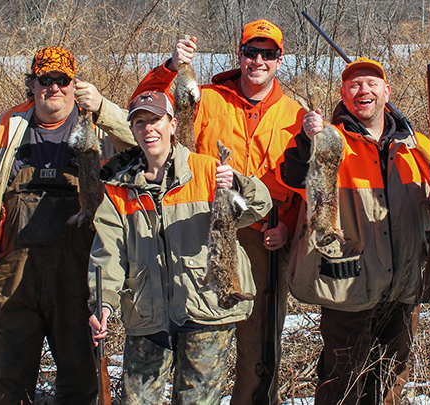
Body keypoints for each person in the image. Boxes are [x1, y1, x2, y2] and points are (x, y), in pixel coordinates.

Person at [0, 46, 136, 404]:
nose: (54, 88)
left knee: (80, 381)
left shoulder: (97, 127)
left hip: (78, 275)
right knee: (9, 381)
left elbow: (144, 146)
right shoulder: (8, 127)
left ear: (76, 85)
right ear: (32, 84)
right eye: (46, 80)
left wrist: (105, 108)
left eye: (63, 80)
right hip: (15, 277)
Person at [130, 19, 305, 404]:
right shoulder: (205, 97)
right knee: (197, 329)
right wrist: (170, 67)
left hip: (263, 237)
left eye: (268, 53)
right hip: (201, 228)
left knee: (259, 342)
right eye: (251, 52)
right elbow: (143, 109)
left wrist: (288, 226)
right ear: (239, 55)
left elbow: (304, 185)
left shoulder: (295, 114)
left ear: (280, 59)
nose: (258, 60)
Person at [86, 91, 271, 404]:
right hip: (147, 314)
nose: (148, 129)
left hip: (206, 309)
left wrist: (238, 185)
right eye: (140, 122)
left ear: (173, 124)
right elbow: (108, 253)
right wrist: (103, 303)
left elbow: (257, 207)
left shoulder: (207, 170)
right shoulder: (118, 189)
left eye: (156, 120)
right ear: (132, 130)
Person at [278, 57, 430, 405]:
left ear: (387, 91)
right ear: (343, 93)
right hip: (349, 286)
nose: (363, 90)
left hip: (403, 287)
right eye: (354, 85)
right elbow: (290, 176)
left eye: (371, 83)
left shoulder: (417, 147)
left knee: (390, 381)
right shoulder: (330, 141)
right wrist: (308, 140)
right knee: (342, 385)